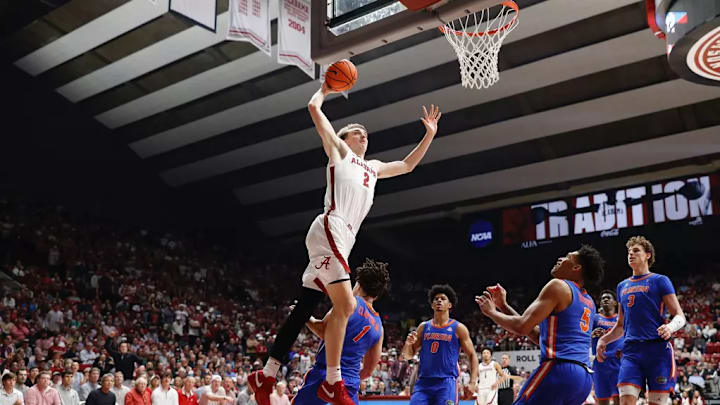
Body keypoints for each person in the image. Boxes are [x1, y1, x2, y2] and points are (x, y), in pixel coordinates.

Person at [248, 81, 442, 405]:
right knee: (348, 305)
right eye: (356, 132)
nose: (363, 135)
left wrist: (429, 135)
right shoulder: (339, 152)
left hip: (343, 238)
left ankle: (266, 374)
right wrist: (325, 89)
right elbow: (313, 109)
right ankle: (332, 382)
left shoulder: (373, 167)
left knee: (303, 310)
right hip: (331, 226)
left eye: (366, 133)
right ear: (344, 138)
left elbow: (407, 165)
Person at [476, 245, 605, 405]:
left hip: (559, 370)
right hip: (583, 380)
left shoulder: (558, 285)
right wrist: (503, 306)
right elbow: (538, 336)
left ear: (576, 267)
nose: (560, 259)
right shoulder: (589, 301)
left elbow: (521, 326)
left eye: (567, 257)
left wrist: (492, 312)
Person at [597, 236, 686, 405]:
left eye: (636, 250)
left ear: (648, 255)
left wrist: (670, 327)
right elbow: (621, 325)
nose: (631, 254)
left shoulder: (660, 280)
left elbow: (680, 315)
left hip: (657, 351)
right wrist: (604, 339)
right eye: (629, 252)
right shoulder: (622, 286)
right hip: (631, 352)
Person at [291, 258, 390, 405]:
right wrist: (349, 378)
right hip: (350, 383)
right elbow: (369, 370)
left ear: (358, 283)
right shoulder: (379, 327)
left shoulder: (349, 303)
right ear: (377, 295)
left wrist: (305, 317)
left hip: (325, 376)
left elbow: (324, 331)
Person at [403, 284, 479, 405]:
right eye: (436, 299)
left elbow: (472, 356)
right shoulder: (423, 327)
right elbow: (408, 356)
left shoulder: (458, 328)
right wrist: (407, 344)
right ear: (432, 305)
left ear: (450, 305)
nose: (439, 300)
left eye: (443, 298)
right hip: (424, 383)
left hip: (446, 383)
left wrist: (473, 382)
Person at [591, 290, 623, 405]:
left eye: (608, 298)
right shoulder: (594, 318)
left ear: (615, 303)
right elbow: (583, 335)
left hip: (618, 362)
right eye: (603, 298)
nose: (605, 299)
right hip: (600, 363)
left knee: (619, 399)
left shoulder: (621, 319)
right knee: (602, 400)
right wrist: (591, 334)